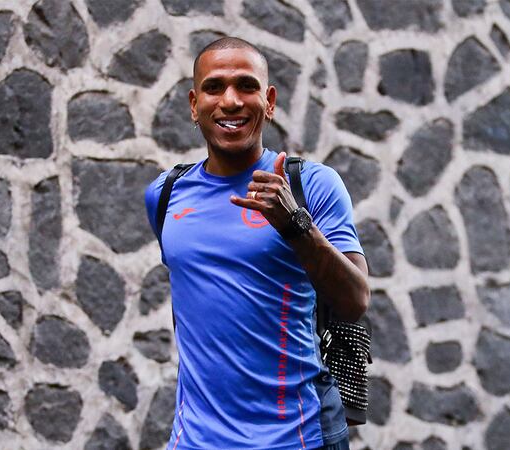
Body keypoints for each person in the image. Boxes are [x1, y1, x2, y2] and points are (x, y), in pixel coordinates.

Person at [144, 37, 370, 450]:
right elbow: (193, 303)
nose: (230, 101)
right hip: (195, 440)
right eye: (214, 87)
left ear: (269, 102)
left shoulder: (311, 185)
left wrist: (295, 225)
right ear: (194, 105)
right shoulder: (164, 194)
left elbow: (355, 300)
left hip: (297, 437)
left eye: (246, 86)